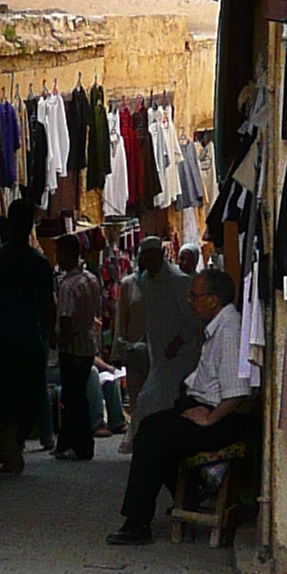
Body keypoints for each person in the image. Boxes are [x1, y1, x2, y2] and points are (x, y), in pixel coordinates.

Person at [106, 259, 259, 543]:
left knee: (152, 436)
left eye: (195, 296)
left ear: (213, 301)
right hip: (206, 407)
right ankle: (185, 495)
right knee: (153, 426)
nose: (190, 301)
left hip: (224, 419)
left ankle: (137, 521)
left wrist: (210, 418)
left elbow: (238, 391)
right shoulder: (219, 326)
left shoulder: (228, 331)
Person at [0, 193, 55, 474]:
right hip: (28, 338)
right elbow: (48, 304)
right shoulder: (39, 262)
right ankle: (13, 442)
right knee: (27, 395)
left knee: (4, 394)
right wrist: (49, 335)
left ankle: (9, 443)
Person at [125, 233, 200, 426]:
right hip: (158, 353)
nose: (148, 261)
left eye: (152, 255)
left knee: (153, 400)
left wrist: (176, 343)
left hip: (181, 354)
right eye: (145, 256)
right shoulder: (145, 280)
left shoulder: (178, 281)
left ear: (162, 254)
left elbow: (193, 321)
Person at [52, 232, 104, 461]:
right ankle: (74, 443)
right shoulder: (91, 279)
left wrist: (61, 345)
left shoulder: (68, 286)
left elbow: (65, 319)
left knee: (73, 399)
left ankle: (79, 445)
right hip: (88, 344)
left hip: (72, 347)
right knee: (78, 396)